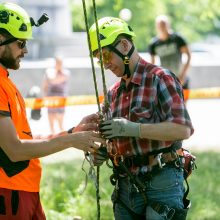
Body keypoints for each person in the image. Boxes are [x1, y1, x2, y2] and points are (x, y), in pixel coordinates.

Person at [0, 3, 104, 219]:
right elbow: (15, 150)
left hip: (23, 190)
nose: (26, 50)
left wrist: (72, 132)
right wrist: (71, 142)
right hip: (9, 193)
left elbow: (25, 139)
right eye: (21, 43)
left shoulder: (5, 82)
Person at [88, 17, 194, 219]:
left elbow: (183, 129)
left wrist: (134, 128)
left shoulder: (160, 78)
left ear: (124, 45)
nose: (105, 64)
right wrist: (102, 152)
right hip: (125, 187)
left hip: (161, 183)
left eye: (106, 55)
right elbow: (111, 137)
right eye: (100, 59)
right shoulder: (113, 93)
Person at [148, 15, 191, 91]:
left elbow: (188, 55)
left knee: (183, 102)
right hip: (165, 80)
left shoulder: (177, 39)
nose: (162, 27)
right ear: (156, 26)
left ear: (168, 24)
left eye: (164, 24)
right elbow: (152, 64)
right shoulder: (154, 43)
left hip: (180, 78)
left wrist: (183, 75)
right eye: (160, 25)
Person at [42, 57, 70, 134]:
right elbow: (45, 84)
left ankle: (62, 135)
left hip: (61, 98)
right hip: (50, 97)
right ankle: (53, 134)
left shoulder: (65, 72)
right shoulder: (49, 72)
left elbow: (55, 80)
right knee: (51, 118)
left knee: (60, 119)